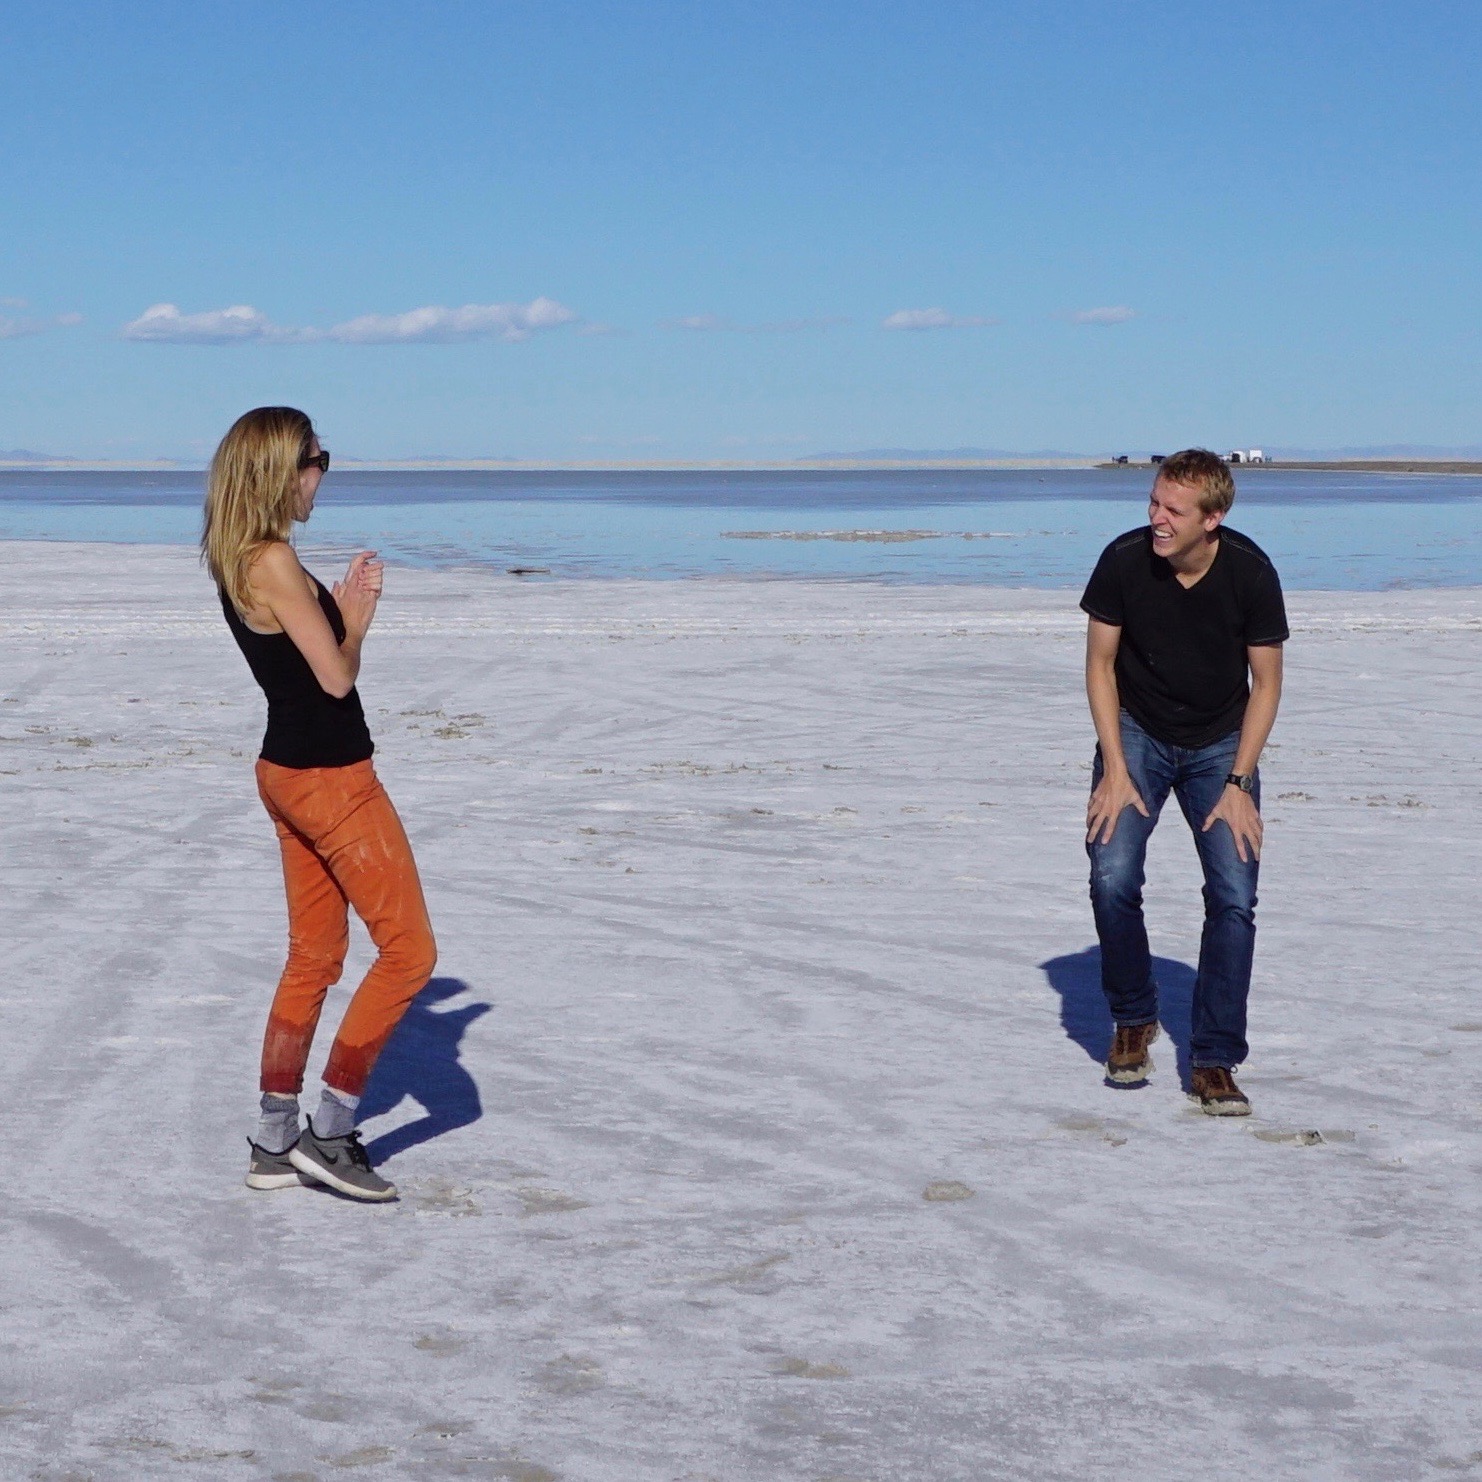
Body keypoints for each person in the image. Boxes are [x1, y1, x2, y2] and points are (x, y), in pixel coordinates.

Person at [203, 407, 436, 1198]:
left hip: (288, 773)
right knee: (410, 954)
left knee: (314, 956)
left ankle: (274, 1141)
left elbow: (311, 667)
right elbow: (336, 680)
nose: (322, 475)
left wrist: (340, 616)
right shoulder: (268, 560)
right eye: (315, 460)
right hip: (331, 778)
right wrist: (358, 622)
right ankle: (328, 1135)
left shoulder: (242, 556)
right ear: (277, 469)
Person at [1080, 448, 1287, 1115]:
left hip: (1221, 745)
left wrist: (1239, 780)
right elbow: (1100, 667)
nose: (1157, 519)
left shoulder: (1250, 573)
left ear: (1213, 518)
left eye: (1173, 510)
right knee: (1111, 874)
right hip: (1137, 734)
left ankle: (1215, 1059)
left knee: (1233, 894)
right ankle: (1134, 1016)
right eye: (1153, 503)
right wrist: (1114, 767)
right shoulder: (1123, 561)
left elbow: (1268, 683)